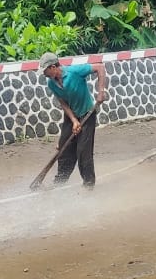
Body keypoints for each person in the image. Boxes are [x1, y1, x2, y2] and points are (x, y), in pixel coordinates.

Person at [39, 52, 108, 187]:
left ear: (53, 67)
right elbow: (63, 102)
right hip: (71, 116)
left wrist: (101, 91)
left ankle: (88, 184)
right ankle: (60, 182)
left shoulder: (74, 72)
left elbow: (100, 67)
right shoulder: (51, 83)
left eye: (45, 70)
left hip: (87, 113)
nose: (44, 74)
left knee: (83, 152)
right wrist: (74, 120)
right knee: (64, 150)